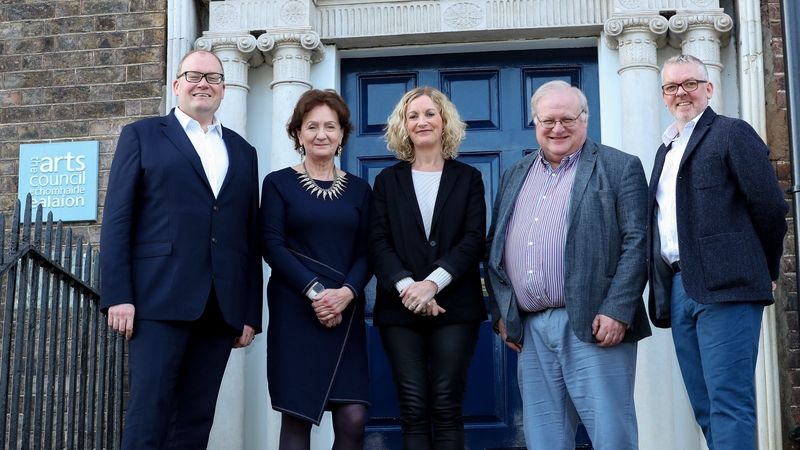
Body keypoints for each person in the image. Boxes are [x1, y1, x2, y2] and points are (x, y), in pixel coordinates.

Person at [100, 49, 262, 449]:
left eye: (213, 77)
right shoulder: (142, 134)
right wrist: (118, 295)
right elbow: (118, 220)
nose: (203, 83)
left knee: (195, 420)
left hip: (220, 305)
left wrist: (249, 313)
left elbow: (249, 235)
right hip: (157, 300)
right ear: (177, 85)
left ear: (224, 89)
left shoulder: (243, 151)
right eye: (193, 75)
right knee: (148, 413)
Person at [484, 80, 651, 450]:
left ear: (585, 119)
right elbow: (493, 248)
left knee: (612, 435)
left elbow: (638, 243)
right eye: (548, 120)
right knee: (545, 439)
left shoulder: (619, 166)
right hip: (529, 330)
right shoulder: (516, 174)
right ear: (535, 122)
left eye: (567, 119)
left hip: (596, 323)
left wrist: (618, 310)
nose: (557, 128)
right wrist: (502, 313)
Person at [647, 54, 789, 449]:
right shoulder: (665, 150)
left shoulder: (732, 133)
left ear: (709, 89)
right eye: (672, 87)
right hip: (679, 286)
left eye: (690, 83)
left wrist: (765, 267)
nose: (681, 93)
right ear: (663, 96)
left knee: (729, 402)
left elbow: (771, 206)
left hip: (730, 285)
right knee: (705, 405)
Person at [369, 86, 487, 450]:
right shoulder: (387, 181)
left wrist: (432, 285)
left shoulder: (469, 178)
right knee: (414, 408)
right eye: (413, 115)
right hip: (399, 309)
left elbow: (473, 239)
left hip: (456, 308)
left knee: (448, 405)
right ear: (403, 126)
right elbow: (378, 243)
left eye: (430, 114)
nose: (422, 121)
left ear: (444, 121)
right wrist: (409, 289)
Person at [260, 89, 372, 450]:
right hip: (296, 310)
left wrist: (346, 294)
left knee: (354, 419)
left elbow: (368, 251)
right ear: (298, 134)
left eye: (330, 126)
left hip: (347, 309)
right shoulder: (277, 183)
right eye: (312, 126)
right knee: (297, 417)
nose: (321, 134)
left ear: (342, 134)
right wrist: (317, 293)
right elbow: (271, 245)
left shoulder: (360, 190)